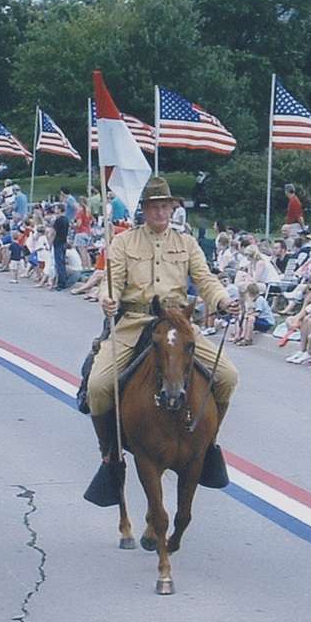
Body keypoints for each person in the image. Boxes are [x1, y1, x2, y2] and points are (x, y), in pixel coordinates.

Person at [80, 177, 240, 501]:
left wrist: (222, 300)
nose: (160, 212)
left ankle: (208, 445)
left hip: (176, 324)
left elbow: (205, 279)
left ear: (172, 208)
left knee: (227, 376)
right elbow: (112, 281)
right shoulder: (124, 242)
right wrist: (107, 298)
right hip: (134, 322)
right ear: (144, 210)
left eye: (165, 206)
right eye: (154, 207)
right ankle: (110, 454)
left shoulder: (186, 243)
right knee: (98, 386)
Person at [52, 206, 70, 291]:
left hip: (58, 242)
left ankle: (61, 283)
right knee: (62, 262)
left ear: (59, 210)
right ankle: (64, 280)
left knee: (59, 263)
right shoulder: (66, 219)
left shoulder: (58, 220)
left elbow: (54, 232)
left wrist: (50, 241)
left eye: (56, 208)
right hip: (63, 241)